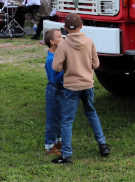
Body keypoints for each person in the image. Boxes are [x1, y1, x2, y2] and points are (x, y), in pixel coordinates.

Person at [51, 13, 109, 164]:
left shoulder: (63, 44)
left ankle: (66, 155)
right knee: (91, 113)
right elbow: (96, 64)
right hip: (87, 84)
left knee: (67, 121)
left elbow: (56, 67)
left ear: (65, 28)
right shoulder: (89, 42)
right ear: (81, 26)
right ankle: (103, 145)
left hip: (71, 87)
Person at [44, 28, 64, 156]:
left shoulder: (57, 56)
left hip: (60, 90)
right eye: (59, 37)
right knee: (52, 118)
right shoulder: (51, 59)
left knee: (59, 116)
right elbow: (55, 79)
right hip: (54, 91)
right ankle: (49, 146)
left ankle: (58, 141)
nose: (62, 39)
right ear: (52, 41)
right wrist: (66, 68)